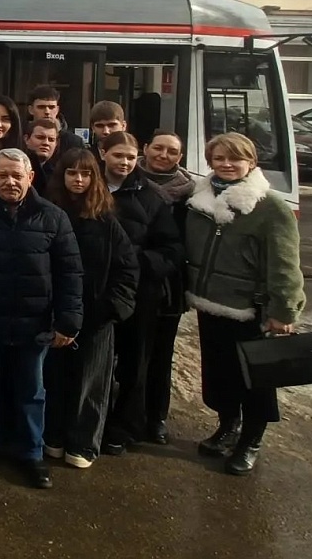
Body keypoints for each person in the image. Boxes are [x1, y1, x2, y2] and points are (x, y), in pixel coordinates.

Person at [0, 148, 83, 489]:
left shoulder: (53, 217)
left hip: (34, 324)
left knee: (31, 392)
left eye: (17, 175)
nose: (10, 181)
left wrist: (68, 320)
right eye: (3, 175)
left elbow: (70, 273)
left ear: (30, 177)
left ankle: (31, 453)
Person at [185, 133, 304, 475]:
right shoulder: (200, 201)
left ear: (251, 162)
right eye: (219, 158)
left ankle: (251, 439)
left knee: (255, 380)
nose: (226, 164)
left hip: (251, 310)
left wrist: (284, 310)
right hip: (211, 303)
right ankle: (227, 426)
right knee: (220, 374)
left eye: (234, 159)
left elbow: (285, 266)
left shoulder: (270, 207)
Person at [43, 149, 138, 469]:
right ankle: (52, 437)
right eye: (72, 173)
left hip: (97, 318)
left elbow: (127, 271)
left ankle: (82, 443)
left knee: (91, 384)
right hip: (53, 314)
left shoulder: (106, 220)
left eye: (85, 174)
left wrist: (111, 309)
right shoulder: (47, 214)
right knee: (53, 379)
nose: (78, 180)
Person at [98, 131, 183, 456]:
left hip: (138, 295)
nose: (124, 162)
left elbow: (171, 248)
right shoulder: (88, 187)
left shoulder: (150, 197)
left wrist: (136, 262)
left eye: (130, 157)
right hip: (96, 291)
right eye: (118, 155)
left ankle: (123, 427)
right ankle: (92, 419)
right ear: (103, 153)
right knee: (95, 362)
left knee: (134, 364)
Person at [136, 130, 195, 443]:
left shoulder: (192, 194)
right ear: (145, 148)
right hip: (132, 282)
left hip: (169, 286)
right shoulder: (129, 183)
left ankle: (156, 417)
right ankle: (130, 413)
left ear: (180, 157)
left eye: (172, 151)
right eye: (157, 147)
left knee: (161, 354)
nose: (163, 155)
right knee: (133, 353)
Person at [26, 85, 86, 156]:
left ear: (57, 110)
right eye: (41, 107)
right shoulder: (18, 136)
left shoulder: (74, 142)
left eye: (51, 107)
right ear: (31, 110)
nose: (47, 111)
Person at [24, 118, 60, 196]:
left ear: (56, 144)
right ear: (26, 139)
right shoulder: (17, 167)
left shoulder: (58, 173)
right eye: (40, 137)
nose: (46, 143)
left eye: (51, 139)